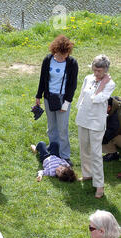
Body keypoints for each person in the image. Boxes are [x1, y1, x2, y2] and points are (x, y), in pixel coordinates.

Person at [75, 55, 115, 199]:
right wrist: (78, 109)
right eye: (95, 70)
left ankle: (99, 185)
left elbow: (97, 99)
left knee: (96, 154)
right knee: (84, 148)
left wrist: (102, 84)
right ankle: (87, 174)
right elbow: (82, 96)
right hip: (84, 118)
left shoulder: (110, 84)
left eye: (100, 71)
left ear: (106, 70)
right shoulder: (88, 78)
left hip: (97, 122)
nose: (97, 73)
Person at [35, 35, 78, 166]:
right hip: (49, 97)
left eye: (66, 54)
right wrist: (38, 96)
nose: (63, 57)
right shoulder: (48, 60)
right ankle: (54, 152)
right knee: (52, 127)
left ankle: (65, 156)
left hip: (63, 98)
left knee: (63, 128)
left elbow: (72, 85)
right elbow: (43, 79)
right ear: (55, 50)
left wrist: (66, 103)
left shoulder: (72, 63)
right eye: (60, 54)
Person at [102, 97, 121, 162]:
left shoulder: (115, 116)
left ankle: (112, 154)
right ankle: (113, 154)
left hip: (116, 132)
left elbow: (111, 132)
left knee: (102, 135)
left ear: (109, 107)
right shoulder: (115, 103)